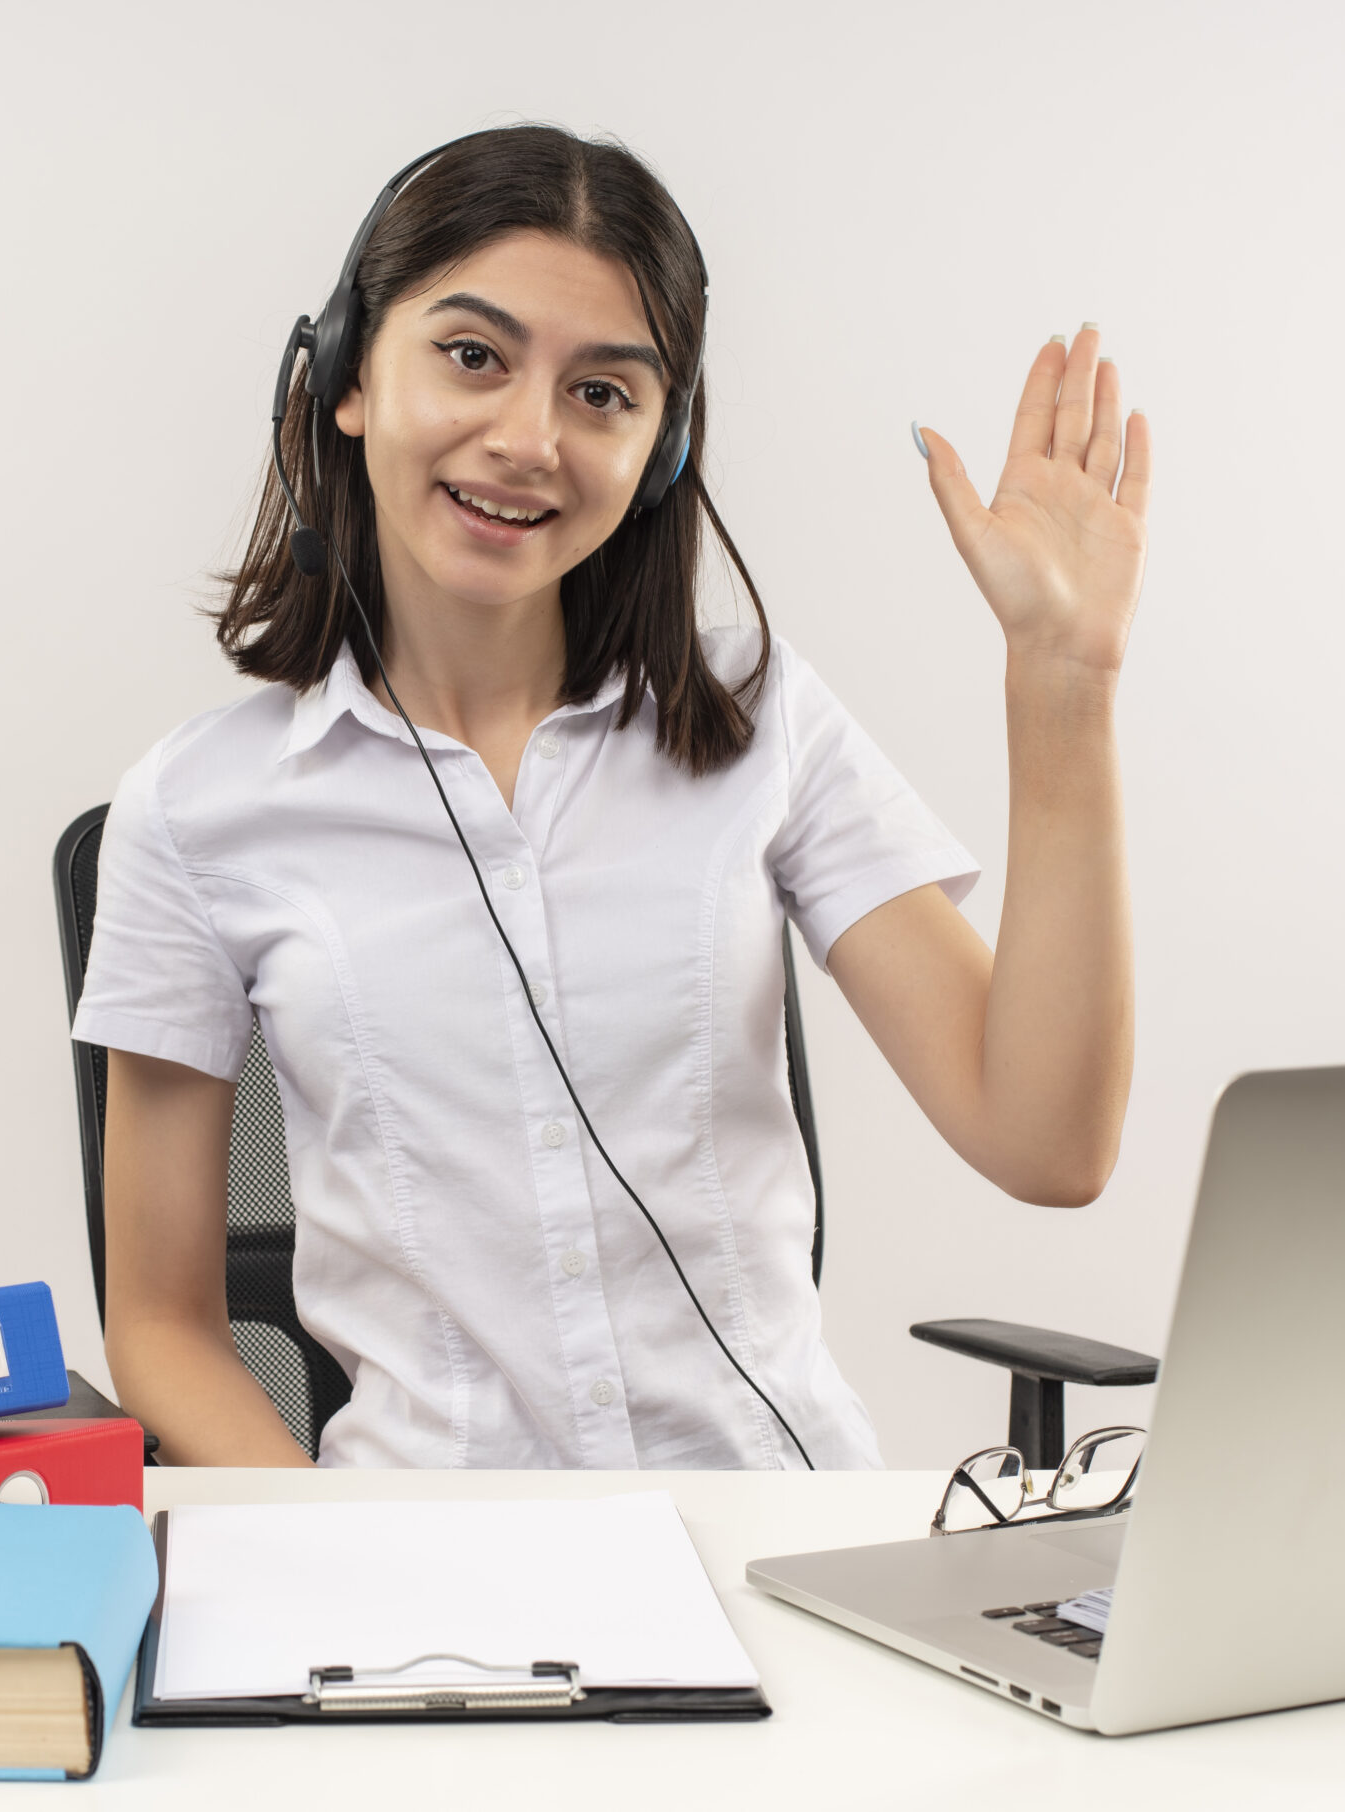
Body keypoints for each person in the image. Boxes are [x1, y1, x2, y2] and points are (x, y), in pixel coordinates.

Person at [70, 125, 1149, 1469]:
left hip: (773, 1533)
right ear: (346, 382)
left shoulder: (757, 718)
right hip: (436, 1576)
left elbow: (1047, 1142)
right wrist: (341, 1557)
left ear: (665, 447)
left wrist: (1063, 679)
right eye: (473, 356)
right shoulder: (197, 811)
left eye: (603, 394)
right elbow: (162, 1323)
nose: (530, 439)